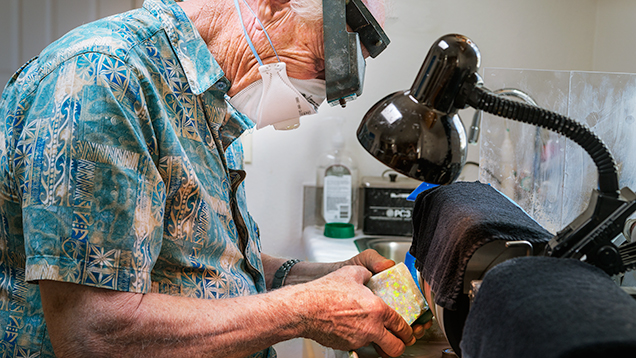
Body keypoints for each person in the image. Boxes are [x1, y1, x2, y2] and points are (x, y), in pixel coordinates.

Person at [0, 0, 430, 357]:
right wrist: (305, 310)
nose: (315, 97)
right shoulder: (104, 79)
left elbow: (201, 265)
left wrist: (317, 279)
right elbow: (93, 333)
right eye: (319, 63)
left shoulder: (210, 101)